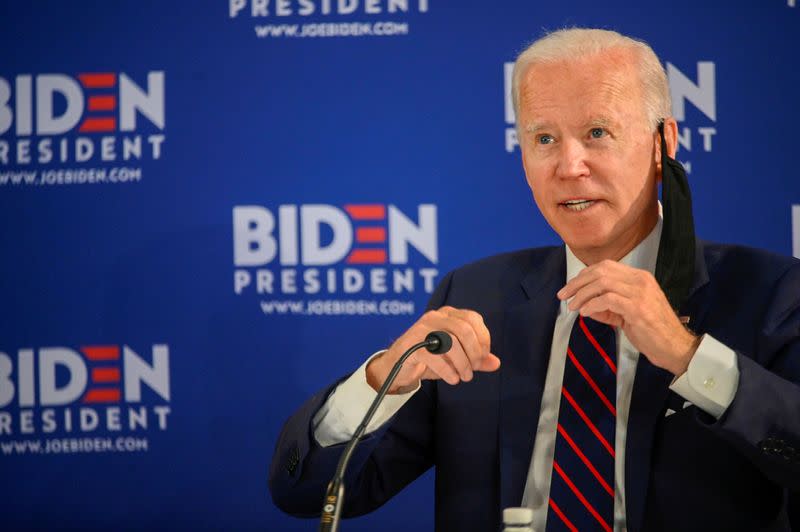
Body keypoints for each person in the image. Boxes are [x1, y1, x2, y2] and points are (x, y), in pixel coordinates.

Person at [269, 28, 800, 531]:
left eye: (597, 132)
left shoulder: (768, 293)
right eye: (544, 138)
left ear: (663, 143)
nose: (570, 165)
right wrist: (386, 379)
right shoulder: (475, 297)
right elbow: (307, 493)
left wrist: (690, 356)